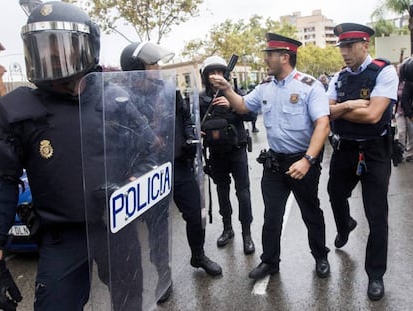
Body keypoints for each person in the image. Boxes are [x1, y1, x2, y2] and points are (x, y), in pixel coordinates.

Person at [0, 2, 157, 310]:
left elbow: (149, 152)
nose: (50, 58)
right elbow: (2, 183)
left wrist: (132, 183)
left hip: (116, 226)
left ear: (87, 49)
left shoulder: (115, 99)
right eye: (43, 50)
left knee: (130, 303)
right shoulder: (19, 111)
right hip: (62, 237)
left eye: (60, 50)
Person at [209, 33, 331, 280]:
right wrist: (228, 89)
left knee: (311, 212)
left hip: (303, 162)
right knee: (271, 216)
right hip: (275, 163)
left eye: (270, 54)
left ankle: (320, 256)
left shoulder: (309, 86)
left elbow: (323, 125)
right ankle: (270, 262)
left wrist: (307, 160)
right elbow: (243, 106)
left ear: (285, 57)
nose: (266, 59)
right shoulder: (265, 86)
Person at [120, 42, 223, 302]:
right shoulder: (123, 98)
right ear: (136, 68)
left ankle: (198, 256)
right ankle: (163, 276)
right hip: (150, 171)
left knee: (196, 214)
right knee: (157, 227)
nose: (158, 67)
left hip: (179, 165)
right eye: (152, 64)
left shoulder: (168, 89)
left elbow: (185, 117)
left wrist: (190, 133)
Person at [326, 23, 398, 301]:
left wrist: (338, 110)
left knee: (377, 216)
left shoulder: (384, 71)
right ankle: (345, 226)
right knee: (335, 194)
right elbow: (325, 110)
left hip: (375, 152)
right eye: (341, 47)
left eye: (349, 46)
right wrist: (348, 106)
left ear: (365, 45)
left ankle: (376, 275)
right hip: (345, 149)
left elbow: (373, 116)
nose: (344, 52)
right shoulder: (339, 77)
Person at [199, 56, 255, 255]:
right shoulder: (201, 98)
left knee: (243, 193)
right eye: (211, 72)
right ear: (205, 76)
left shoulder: (235, 93)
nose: (216, 76)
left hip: (237, 150)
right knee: (222, 192)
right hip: (216, 153)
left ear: (226, 74)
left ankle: (247, 234)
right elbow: (193, 123)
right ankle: (227, 229)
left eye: (220, 72)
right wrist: (198, 130)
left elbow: (251, 114)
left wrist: (232, 103)